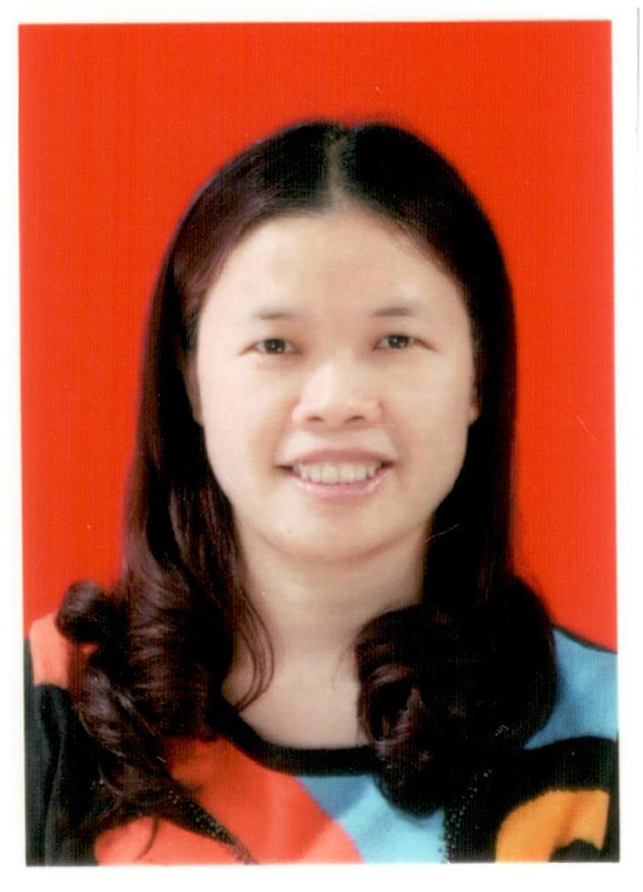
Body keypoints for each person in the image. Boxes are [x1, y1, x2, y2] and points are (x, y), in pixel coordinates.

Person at [24, 120, 617, 865]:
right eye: (275, 345)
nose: (335, 402)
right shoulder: (49, 709)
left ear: (477, 374)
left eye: (395, 340)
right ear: (191, 378)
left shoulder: (606, 736)